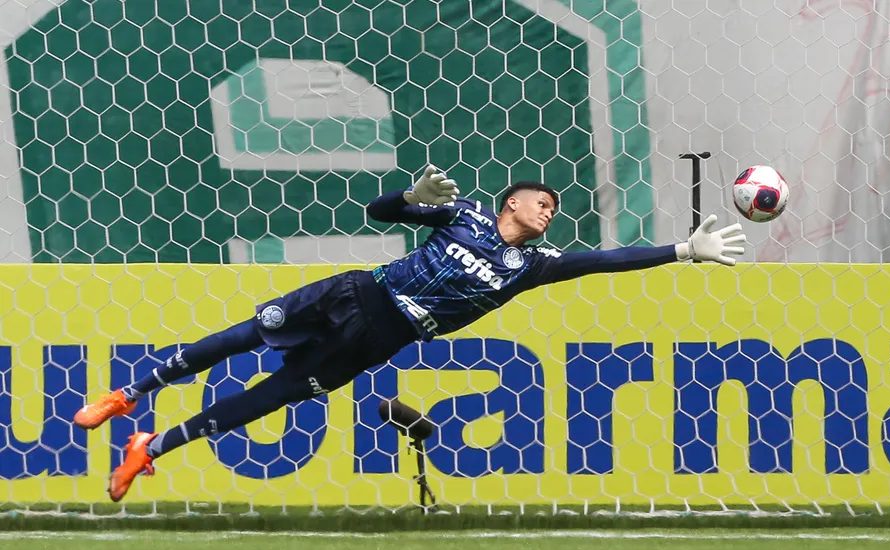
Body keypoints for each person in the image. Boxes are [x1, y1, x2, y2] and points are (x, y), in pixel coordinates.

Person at [74, 165, 747, 501]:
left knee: (272, 395)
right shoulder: (468, 216)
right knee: (252, 332)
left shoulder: (531, 266)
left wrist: (683, 251)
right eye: (541, 200)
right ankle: (129, 393)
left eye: (553, 208)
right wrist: (409, 200)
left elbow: (605, 262)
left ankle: (150, 446)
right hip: (356, 291)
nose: (549, 210)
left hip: (382, 337)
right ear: (512, 202)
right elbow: (378, 210)